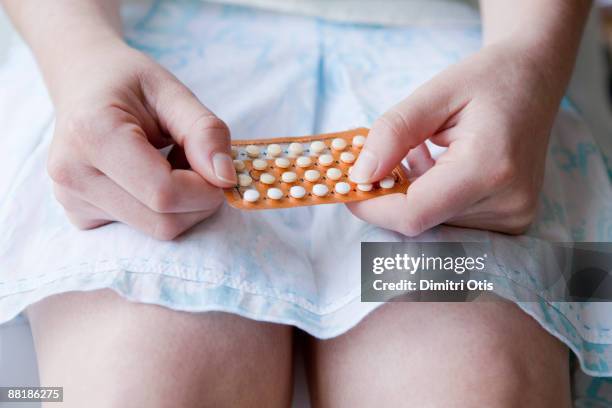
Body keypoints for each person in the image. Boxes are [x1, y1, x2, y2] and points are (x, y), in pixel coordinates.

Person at [0, 0, 598, 406]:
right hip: (139, 59)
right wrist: (79, 54)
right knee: (147, 383)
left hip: (465, 67)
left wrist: (530, 62)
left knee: (468, 384)